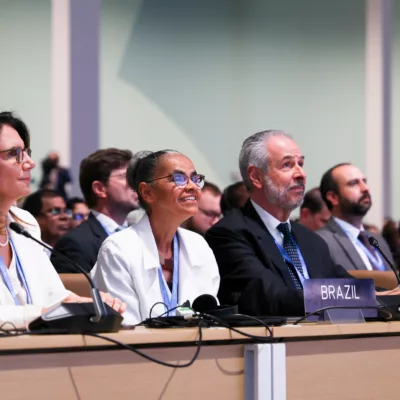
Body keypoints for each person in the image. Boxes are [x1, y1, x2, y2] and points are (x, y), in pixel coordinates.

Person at [205, 130, 351, 317]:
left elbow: (346, 285)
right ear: (256, 177)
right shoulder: (228, 234)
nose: (301, 174)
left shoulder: (312, 241)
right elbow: (270, 297)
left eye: (301, 164)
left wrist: (384, 295)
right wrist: (344, 298)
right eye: (287, 165)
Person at [0, 112, 125, 328]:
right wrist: (41, 314)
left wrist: (89, 304)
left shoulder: (24, 222)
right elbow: (45, 310)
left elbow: (53, 296)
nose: (29, 163)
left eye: (26, 153)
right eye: (14, 154)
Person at [92, 150, 220, 325]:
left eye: (195, 179)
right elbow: (126, 326)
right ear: (147, 192)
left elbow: (210, 317)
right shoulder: (118, 249)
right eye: (178, 179)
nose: (192, 187)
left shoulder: (199, 246)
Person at [51, 148, 139, 273]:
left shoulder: (140, 238)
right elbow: (78, 291)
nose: (136, 184)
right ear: (100, 189)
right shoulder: (75, 244)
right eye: (126, 177)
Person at [318, 163, 394, 272]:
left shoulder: (378, 240)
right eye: (353, 183)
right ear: (333, 197)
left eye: (364, 181)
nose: (365, 188)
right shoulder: (321, 242)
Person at [22, 189, 70, 255]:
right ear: (34, 218)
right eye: (55, 211)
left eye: (65, 211)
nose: (64, 216)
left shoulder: (72, 252)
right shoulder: (25, 253)